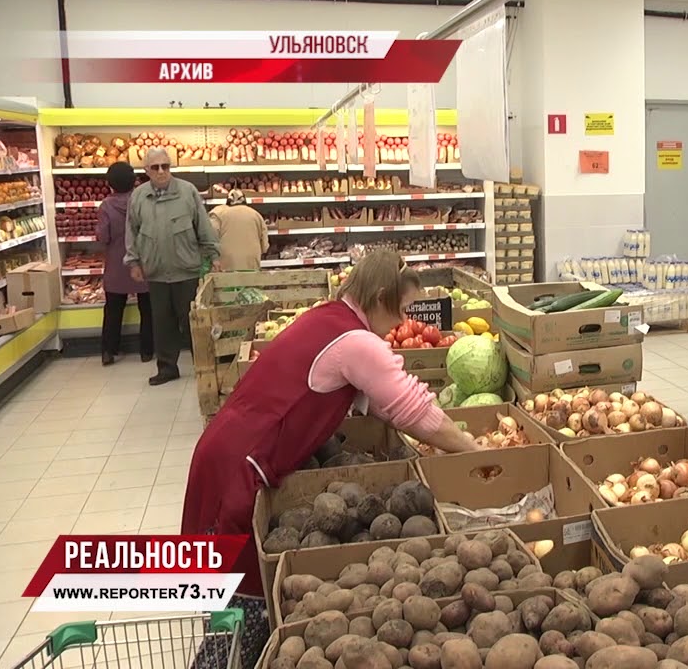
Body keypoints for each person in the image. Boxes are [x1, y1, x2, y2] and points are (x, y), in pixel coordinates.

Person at [182, 251, 480, 668]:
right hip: (241, 467)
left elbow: (382, 405)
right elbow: (413, 410)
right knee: (242, 610)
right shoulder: (355, 341)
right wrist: (475, 453)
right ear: (380, 297)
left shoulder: (332, 316)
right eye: (403, 308)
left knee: (230, 605)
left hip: (225, 450)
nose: (404, 320)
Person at [125, 147, 220, 386]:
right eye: (155, 167)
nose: (161, 172)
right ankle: (167, 368)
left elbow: (204, 227)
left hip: (186, 269)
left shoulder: (187, 192)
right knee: (162, 323)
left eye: (165, 166)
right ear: (146, 170)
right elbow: (132, 232)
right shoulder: (138, 197)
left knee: (193, 321)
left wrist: (214, 255)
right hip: (155, 271)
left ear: (170, 167)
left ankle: (204, 365)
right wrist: (133, 261)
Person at [97, 162, 153, 366]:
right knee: (147, 309)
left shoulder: (106, 206)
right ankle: (147, 351)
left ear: (110, 183)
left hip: (116, 265)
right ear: (134, 181)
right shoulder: (142, 202)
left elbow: (103, 237)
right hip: (142, 262)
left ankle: (108, 351)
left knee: (113, 309)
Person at [209, 189, 269, 271]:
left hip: (226, 265)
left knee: (230, 283)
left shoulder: (218, 213)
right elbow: (265, 246)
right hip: (251, 263)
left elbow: (211, 238)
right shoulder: (256, 215)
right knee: (250, 282)